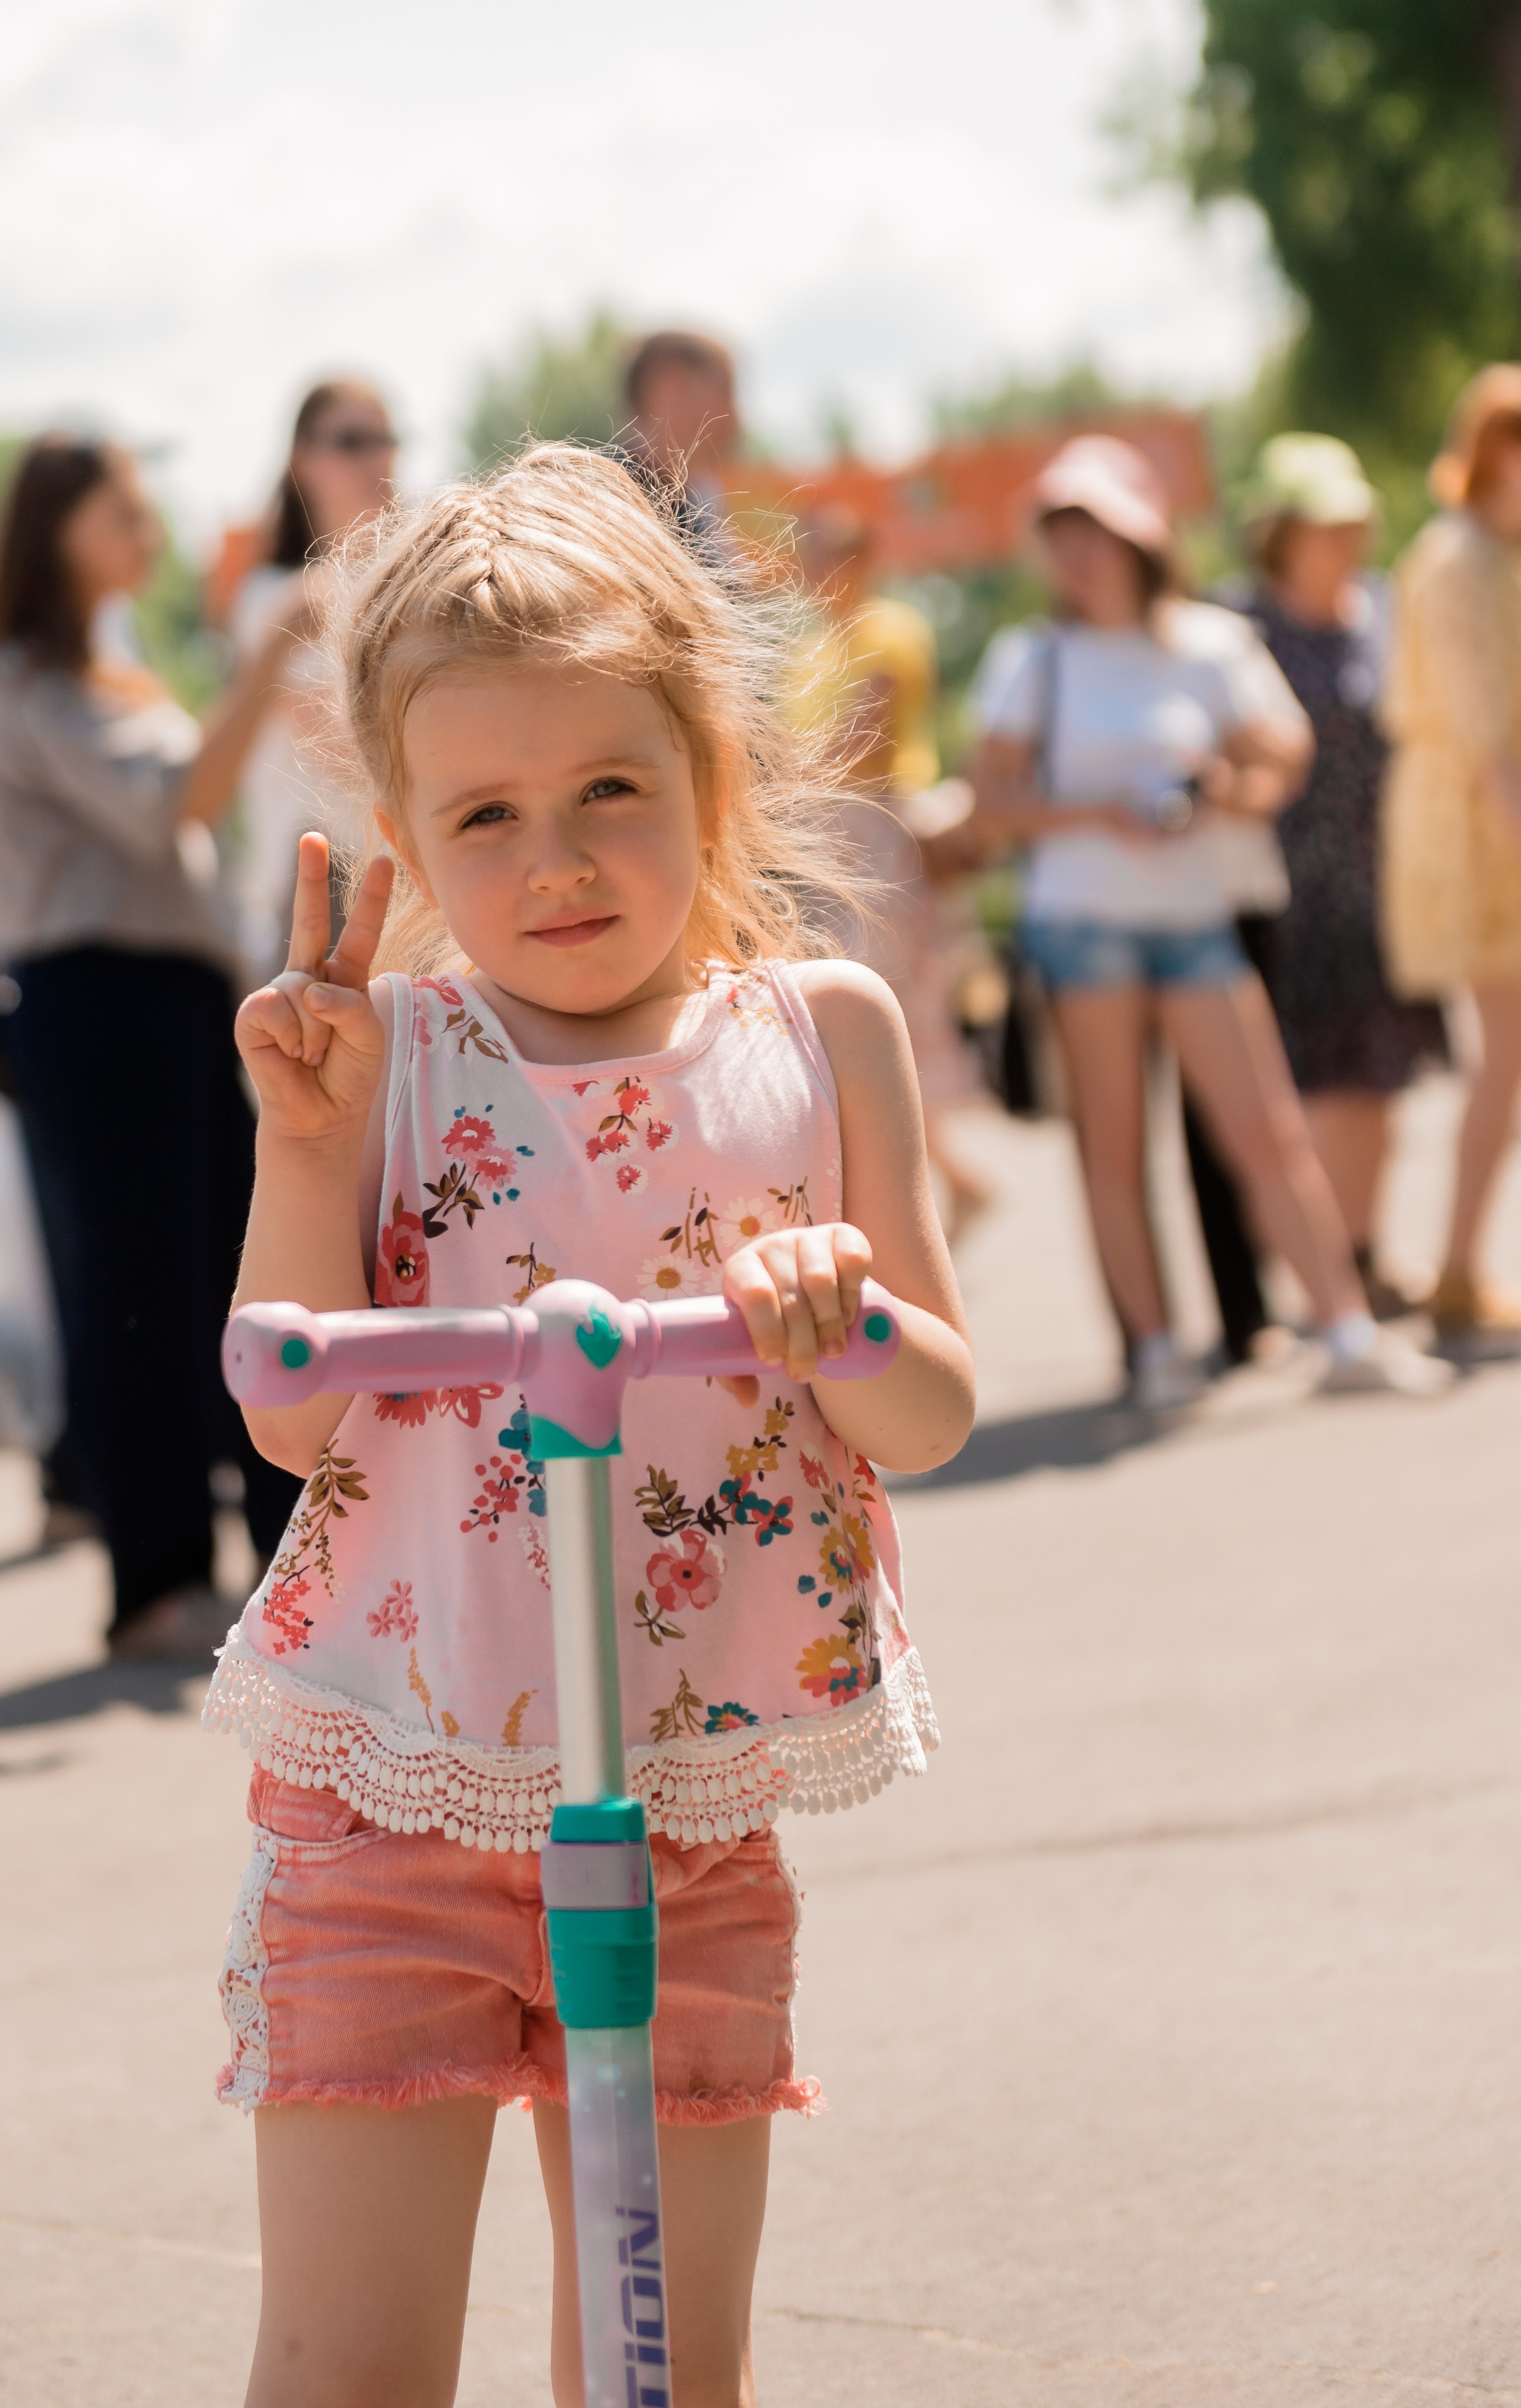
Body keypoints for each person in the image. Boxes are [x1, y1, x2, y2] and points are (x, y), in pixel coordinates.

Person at [204, 441, 974, 2406]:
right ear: (402, 840)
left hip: (693, 1798)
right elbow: (286, 1400)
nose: (556, 859)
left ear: (712, 768)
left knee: (657, 2370)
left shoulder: (823, 1033)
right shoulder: (394, 1056)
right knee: (347, 2362)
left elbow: (932, 1407)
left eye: (610, 790)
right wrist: (309, 1139)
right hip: (403, 1789)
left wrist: (839, 1322)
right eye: (488, 813)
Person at [968, 435, 1450, 1406]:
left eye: (1094, 528)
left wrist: (1219, 790)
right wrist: (1099, 811)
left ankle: (1347, 1330)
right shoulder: (1033, 659)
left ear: (1140, 535)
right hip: (1082, 920)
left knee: (1266, 1129)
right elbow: (992, 802)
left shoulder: (1208, 643)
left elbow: (1285, 758)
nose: (1077, 551)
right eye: (1061, 532)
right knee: (1114, 1142)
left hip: (1195, 913)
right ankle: (1154, 1351)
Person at [0, 435, 309, 1658]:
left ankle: (286, 1554)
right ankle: (157, 1581)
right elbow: (173, 800)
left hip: (169, 1001)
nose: (147, 525)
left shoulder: (106, 669)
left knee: (237, 1269)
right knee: (132, 1291)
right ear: (60, 525)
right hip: (92, 1000)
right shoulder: (29, 679)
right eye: (121, 508)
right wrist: (271, 648)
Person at [1198, 435, 1447, 1329]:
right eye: (1324, 522)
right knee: (1308, 1092)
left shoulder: (1382, 611)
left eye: (1353, 520)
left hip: (1387, 878)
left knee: (1382, 1076)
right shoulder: (1238, 627)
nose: (1345, 536)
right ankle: (1323, 1273)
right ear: (1281, 530)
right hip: (1285, 890)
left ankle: (1364, 1250)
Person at [1382, 365, 1521, 1334]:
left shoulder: (1512, 557)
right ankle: (1464, 1273)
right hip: (1496, 841)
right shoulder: (1463, 559)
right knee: (1517, 1044)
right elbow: (1485, 734)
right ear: (1503, 454)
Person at [790, 504, 993, 1234]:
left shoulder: (887, 628)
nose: (819, 566)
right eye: (811, 551)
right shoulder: (812, 647)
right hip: (828, 841)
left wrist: (778, 788)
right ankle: (947, 1185)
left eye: (831, 548)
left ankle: (905, 1201)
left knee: (884, 1010)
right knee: (856, 1017)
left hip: (874, 835)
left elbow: (862, 744)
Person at [230, 379, 398, 983]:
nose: (377, 458)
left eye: (385, 439)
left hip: (406, 871)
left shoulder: (408, 588)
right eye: (352, 440)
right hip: (322, 873)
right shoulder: (272, 598)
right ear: (303, 461)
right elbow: (334, 740)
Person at [620, 328, 739, 561]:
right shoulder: (597, 503)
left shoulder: (698, 508)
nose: (735, 416)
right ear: (669, 388)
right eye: (724, 391)